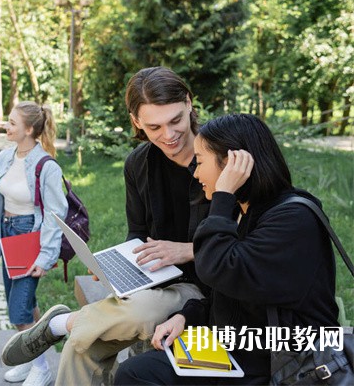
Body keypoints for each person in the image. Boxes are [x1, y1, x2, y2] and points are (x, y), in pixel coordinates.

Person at [0, 67, 210, 385]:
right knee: (81, 346)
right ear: (136, 121)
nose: (169, 135)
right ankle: (68, 326)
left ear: (189, 104)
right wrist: (120, 261)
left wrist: (185, 250)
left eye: (176, 120)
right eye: (154, 126)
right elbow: (137, 231)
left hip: (205, 286)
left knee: (131, 316)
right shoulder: (139, 164)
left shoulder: (218, 157)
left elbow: (250, 243)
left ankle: (62, 323)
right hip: (153, 278)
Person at [114, 113, 340, 385]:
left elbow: (217, 269)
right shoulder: (246, 211)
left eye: (200, 162)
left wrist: (222, 196)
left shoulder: (292, 219)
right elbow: (235, 292)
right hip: (237, 345)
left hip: (283, 357)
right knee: (136, 372)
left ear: (233, 164)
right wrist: (188, 316)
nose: (196, 173)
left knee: (141, 375)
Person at [0, 101, 68, 386]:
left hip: (30, 237)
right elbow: (4, 200)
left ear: (29, 129)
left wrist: (45, 256)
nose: (7, 126)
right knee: (28, 302)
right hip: (8, 234)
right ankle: (31, 362)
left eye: (13, 123)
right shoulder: (5, 157)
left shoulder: (46, 166)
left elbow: (56, 213)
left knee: (19, 310)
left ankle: (41, 367)